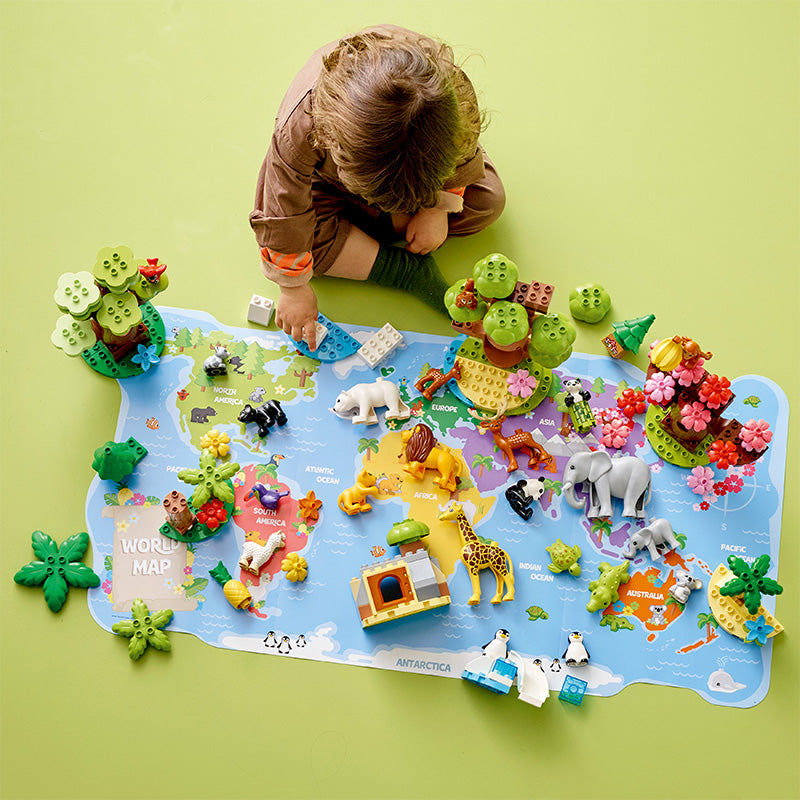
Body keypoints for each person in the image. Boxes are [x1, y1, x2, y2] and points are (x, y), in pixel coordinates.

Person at [249, 25, 505, 350]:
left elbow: (463, 156)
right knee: (295, 244)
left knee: (489, 201)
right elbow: (281, 210)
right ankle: (404, 271)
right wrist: (293, 288)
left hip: (412, 176)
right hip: (330, 184)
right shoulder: (300, 128)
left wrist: (437, 207)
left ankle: (362, 240)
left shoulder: (453, 102)